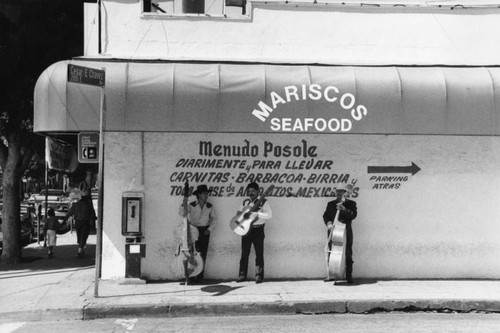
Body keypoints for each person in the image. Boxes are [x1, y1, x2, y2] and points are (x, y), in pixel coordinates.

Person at [178, 184, 216, 282]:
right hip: (194, 231)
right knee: (192, 253)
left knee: (203, 254)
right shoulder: (192, 205)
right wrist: (184, 202)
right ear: (199, 195)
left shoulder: (209, 206)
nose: (206, 195)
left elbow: (214, 219)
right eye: (204, 194)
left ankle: (200, 276)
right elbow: (182, 213)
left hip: (205, 231)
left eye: (207, 194)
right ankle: (191, 275)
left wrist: (209, 229)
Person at [236, 182, 272, 284]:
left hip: (258, 229)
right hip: (246, 230)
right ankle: (242, 275)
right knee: (244, 253)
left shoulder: (264, 202)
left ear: (258, 191)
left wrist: (258, 213)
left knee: (259, 253)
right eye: (249, 191)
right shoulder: (245, 202)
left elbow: (269, 215)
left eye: (253, 191)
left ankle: (259, 275)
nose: (251, 193)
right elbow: (238, 213)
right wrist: (242, 215)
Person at [322, 183, 357, 284]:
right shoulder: (330, 204)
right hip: (333, 231)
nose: (338, 193)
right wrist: (329, 223)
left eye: (340, 192)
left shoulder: (351, 204)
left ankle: (349, 275)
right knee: (331, 251)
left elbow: (353, 215)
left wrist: (344, 209)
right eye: (337, 192)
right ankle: (331, 274)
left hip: (345, 231)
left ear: (345, 193)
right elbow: (325, 215)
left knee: (348, 253)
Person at [63, 189, 96, 257]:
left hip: (77, 222)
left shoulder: (76, 204)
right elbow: (92, 215)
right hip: (85, 222)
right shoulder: (88, 205)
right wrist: (93, 224)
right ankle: (80, 250)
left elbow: (70, 212)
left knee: (79, 235)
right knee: (84, 236)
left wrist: (64, 220)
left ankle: (81, 248)